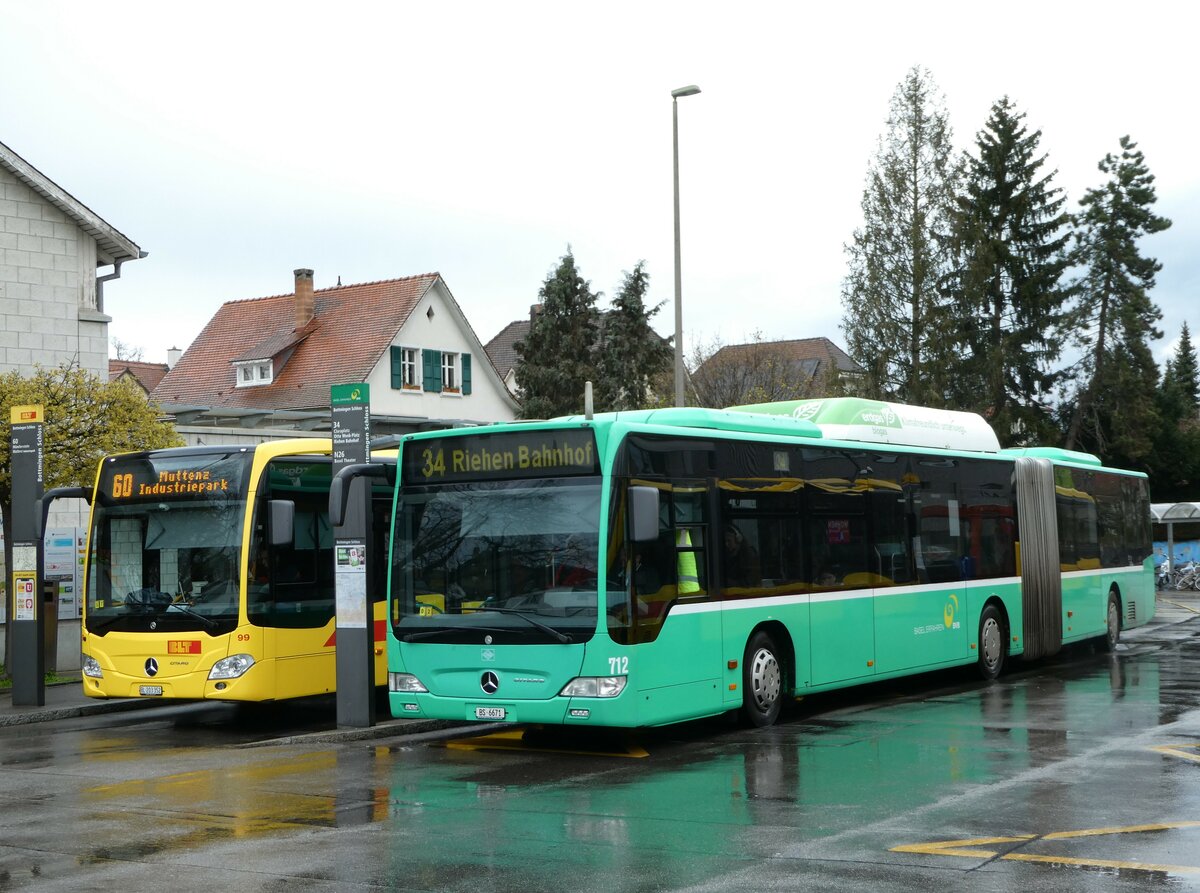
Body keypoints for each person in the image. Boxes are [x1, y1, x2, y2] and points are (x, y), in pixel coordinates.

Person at [723, 523, 761, 588]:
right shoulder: (728, 556)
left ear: (738, 539)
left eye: (729, 541)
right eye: (725, 541)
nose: (726, 544)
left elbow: (749, 583)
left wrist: (726, 582)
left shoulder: (749, 556)